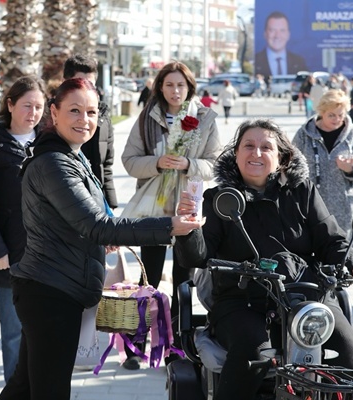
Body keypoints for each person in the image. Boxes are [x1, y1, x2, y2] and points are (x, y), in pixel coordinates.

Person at [0, 78, 203, 400]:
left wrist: (97, 237)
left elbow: (81, 223)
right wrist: (168, 227)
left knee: (23, 388)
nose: (84, 120)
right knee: (47, 390)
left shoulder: (72, 156)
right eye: (75, 111)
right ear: (54, 112)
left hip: (52, 287)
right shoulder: (54, 163)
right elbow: (98, 224)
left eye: (91, 112)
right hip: (50, 294)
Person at [174, 119, 353, 400]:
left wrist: (349, 259)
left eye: (266, 147)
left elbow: (331, 239)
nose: (256, 153)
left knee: (344, 343)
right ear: (236, 154)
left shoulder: (302, 191)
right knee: (254, 348)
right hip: (242, 300)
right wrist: (188, 230)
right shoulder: (219, 198)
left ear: (281, 158)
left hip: (304, 296)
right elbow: (197, 257)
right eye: (248, 146)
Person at [121, 61, 221, 369]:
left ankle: (177, 344)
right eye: (169, 85)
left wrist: (188, 164)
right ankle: (136, 346)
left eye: (180, 85)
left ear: (189, 87)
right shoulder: (146, 118)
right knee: (148, 277)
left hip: (188, 206)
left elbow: (216, 164)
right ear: (160, 88)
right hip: (154, 206)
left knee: (183, 278)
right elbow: (129, 161)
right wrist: (158, 162)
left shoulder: (204, 118)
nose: (175, 91)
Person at [0, 75, 46, 383]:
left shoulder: (48, 142)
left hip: (47, 255)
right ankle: (14, 389)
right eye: (27, 105)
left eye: (40, 106)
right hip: (9, 255)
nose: (33, 113)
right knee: (14, 331)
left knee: (42, 330)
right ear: (10, 104)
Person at [293, 89, 353, 256]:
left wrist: (351, 169)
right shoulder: (304, 135)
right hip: (311, 206)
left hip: (345, 207)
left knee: (343, 254)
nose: (337, 119)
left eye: (341, 115)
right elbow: (291, 163)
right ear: (322, 113)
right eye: (332, 115)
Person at [63, 54, 118, 209]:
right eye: (79, 83)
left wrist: (110, 203)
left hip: (97, 202)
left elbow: (106, 165)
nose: (85, 89)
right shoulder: (53, 116)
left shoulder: (103, 116)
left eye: (91, 84)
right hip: (66, 204)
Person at [254, 11, 308, 79]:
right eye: (272, 30)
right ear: (265, 34)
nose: (277, 36)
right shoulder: (256, 61)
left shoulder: (299, 62)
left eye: (282, 30)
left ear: (288, 35)